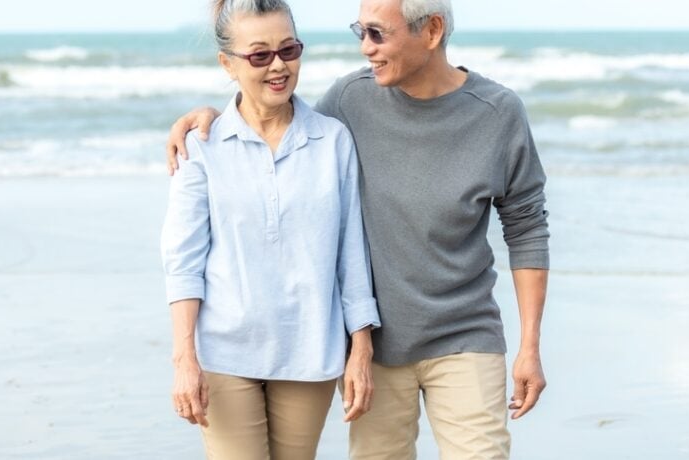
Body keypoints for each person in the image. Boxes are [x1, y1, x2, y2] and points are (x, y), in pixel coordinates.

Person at [166, 0, 550, 458]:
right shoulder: (352, 101)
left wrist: (530, 346)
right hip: (378, 348)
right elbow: (269, 112)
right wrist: (207, 116)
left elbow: (526, 228)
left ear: (431, 32)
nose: (365, 48)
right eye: (360, 32)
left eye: (377, 34)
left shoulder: (494, 114)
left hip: (461, 334)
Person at [160, 0, 381, 458]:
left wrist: (360, 348)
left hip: (310, 350)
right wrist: (184, 357)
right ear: (228, 64)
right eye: (260, 55)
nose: (279, 66)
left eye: (289, 49)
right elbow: (183, 262)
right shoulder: (201, 146)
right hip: (224, 354)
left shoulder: (333, 141)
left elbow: (351, 254)